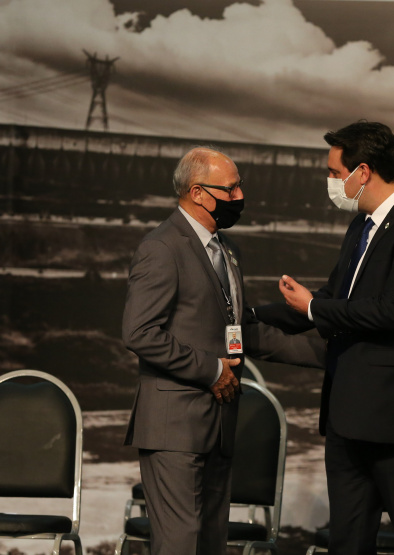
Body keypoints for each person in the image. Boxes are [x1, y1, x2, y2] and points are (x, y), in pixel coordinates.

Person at [255, 121, 394, 554]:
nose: (331, 182)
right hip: (348, 417)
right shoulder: (361, 226)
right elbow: (331, 299)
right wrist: (249, 315)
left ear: (362, 171)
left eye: (334, 172)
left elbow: (389, 310)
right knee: (347, 542)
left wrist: (313, 306)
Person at [122, 146, 325, 555]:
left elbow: (239, 331)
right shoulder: (162, 247)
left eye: (239, 187)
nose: (239, 197)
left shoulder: (227, 250)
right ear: (197, 193)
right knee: (180, 545)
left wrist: (330, 355)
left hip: (219, 426)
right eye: (230, 189)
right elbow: (140, 333)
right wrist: (211, 371)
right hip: (174, 427)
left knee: (211, 543)